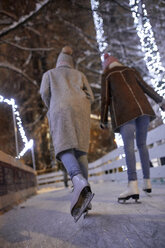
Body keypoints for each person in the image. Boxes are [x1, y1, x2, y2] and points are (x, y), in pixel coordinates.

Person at [100, 53, 165, 202]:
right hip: (143, 111)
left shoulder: (107, 75)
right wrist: (161, 101)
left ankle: (132, 185)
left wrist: (103, 120)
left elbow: (105, 99)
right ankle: (147, 182)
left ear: (106, 66)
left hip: (125, 113)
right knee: (142, 145)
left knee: (129, 148)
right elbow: (146, 87)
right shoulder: (131, 70)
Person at [40, 46, 94, 222]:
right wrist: (81, 103)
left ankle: (78, 181)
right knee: (80, 151)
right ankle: (87, 196)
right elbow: (91, 96)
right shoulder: (80, 75)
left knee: (63, 148)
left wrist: (53, 105)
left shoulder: (50, 74)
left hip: (60, 110)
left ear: (58, 62)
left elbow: (44, 93)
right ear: (71, 63)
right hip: (81, 112)